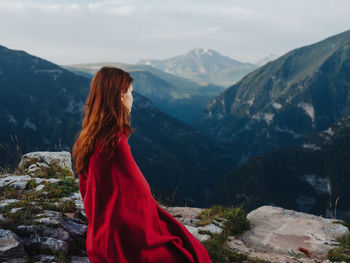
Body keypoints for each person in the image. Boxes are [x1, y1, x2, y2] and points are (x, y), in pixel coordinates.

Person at [72, 66, 212, 263]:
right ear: (119, 96)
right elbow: (138, 196)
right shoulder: (114, 146)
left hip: (101, 235)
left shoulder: (89, 139)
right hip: (122, 240)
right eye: (130, 93)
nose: (132, 98)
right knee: (190, 253)